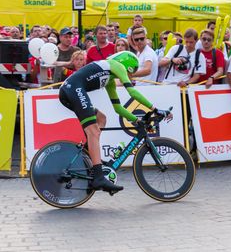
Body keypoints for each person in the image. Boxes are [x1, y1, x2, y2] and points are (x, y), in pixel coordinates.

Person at [59, 51, 169, 192]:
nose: (129, 77)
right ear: (129, 67)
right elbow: (132, 93)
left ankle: (90, 161)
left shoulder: (109, 78)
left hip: (71, 90)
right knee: (93, 131)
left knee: (101, 119)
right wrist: (155, 109)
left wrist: (136, 120)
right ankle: (98, 177)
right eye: (131, 73)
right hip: (73, 89)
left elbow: (117, 108)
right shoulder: (116, 65)